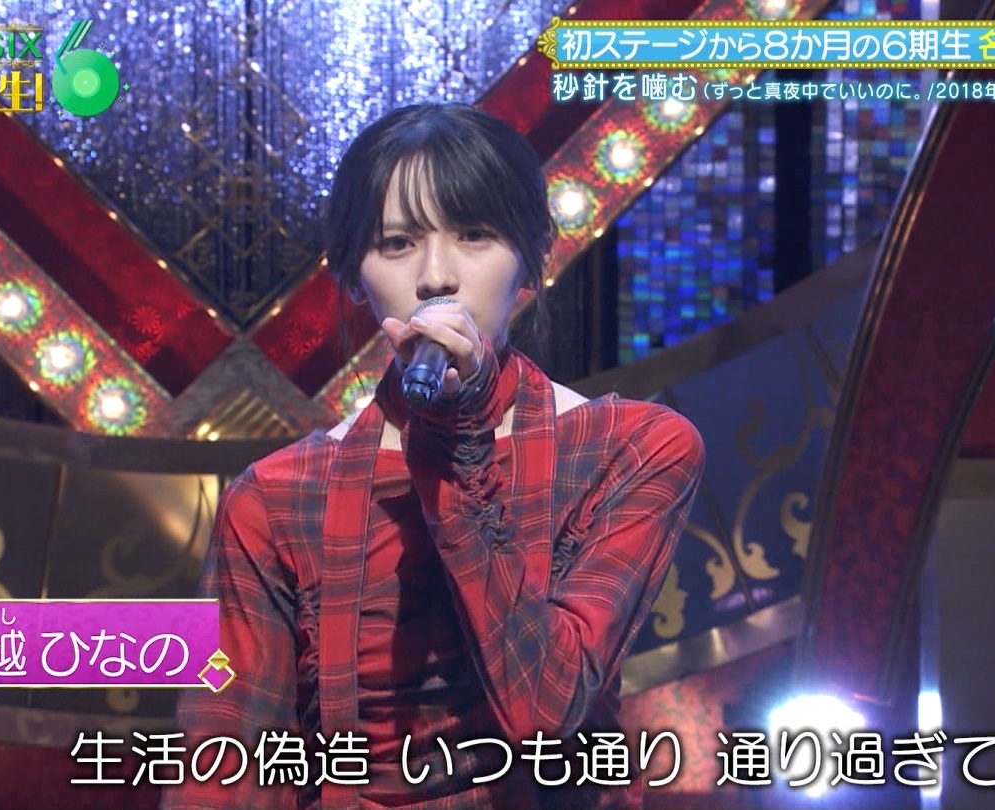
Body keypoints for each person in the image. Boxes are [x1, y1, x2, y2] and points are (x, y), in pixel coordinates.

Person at [163, 102, 705, 809]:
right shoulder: (274, 497)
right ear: (352, 276)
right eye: (397, 244)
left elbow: (547, 708)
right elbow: (226, 768)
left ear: (533, 258)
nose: (437, 277)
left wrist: (459, 442)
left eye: (475, 235)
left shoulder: (632, 448)